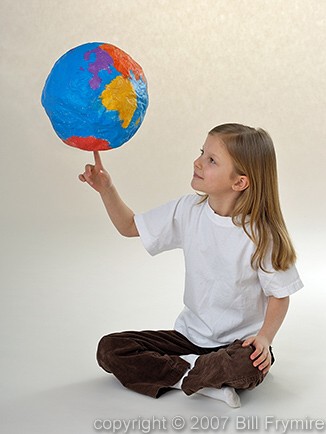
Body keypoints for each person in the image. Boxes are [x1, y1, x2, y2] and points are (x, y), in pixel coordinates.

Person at [79, 123, 303, 407]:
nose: (198, 162)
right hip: (188, 337)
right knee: (110, 349)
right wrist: (106, 189)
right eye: (202, 152)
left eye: (211, 160)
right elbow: (129, 225)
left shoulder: (262, 235)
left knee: (251, 365)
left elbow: (279, 295)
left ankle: (185, 372)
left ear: (239, 182)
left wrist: (264, 339)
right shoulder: (188, 210)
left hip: (236, 346)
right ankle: (196, 379)